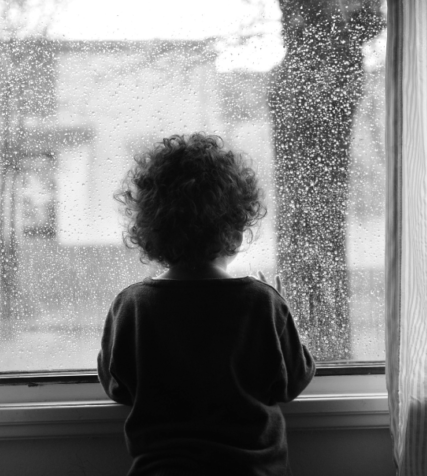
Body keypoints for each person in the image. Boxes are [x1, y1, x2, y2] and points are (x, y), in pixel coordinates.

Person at [99, 133, 316, 476]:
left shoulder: (132, 306)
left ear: (151, 234)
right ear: (236, 231)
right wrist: (286, 315)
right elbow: (292, 383)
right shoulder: (261, 303)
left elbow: (118, 388)